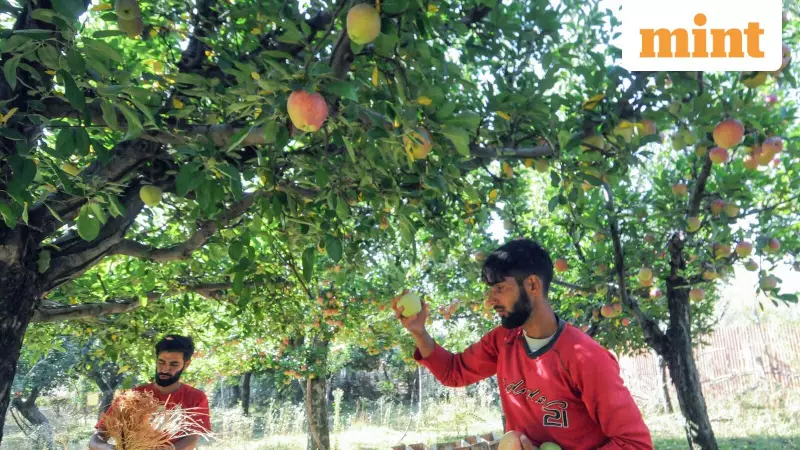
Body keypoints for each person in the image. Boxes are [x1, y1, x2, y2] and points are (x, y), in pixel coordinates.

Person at [392, 238, 654, 450]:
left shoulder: (584, 357)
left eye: (499, 288)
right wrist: (419, 332)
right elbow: (453, 372)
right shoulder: (502, 341)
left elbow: (636, 444)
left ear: (532, 284)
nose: (489, 300)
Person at [88, 335, 211, 450]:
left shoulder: (195, 398)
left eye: (174, 364)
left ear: (186, 364)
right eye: (161, 362)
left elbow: (191, 439)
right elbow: (95, 440)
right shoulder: (130, 398)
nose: (165, 369)